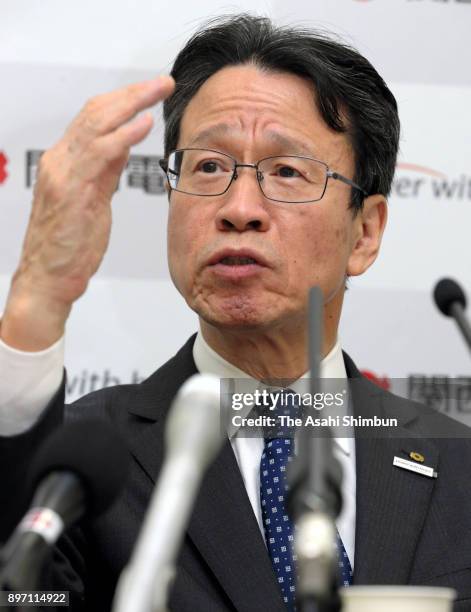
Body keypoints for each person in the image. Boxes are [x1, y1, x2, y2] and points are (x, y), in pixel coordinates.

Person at [1, 13, 471, 612]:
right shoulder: (77, 469)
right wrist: (37, 300)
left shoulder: (458, 466)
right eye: (209, 167)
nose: (239, 208)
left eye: (286, 172)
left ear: (365, 233)